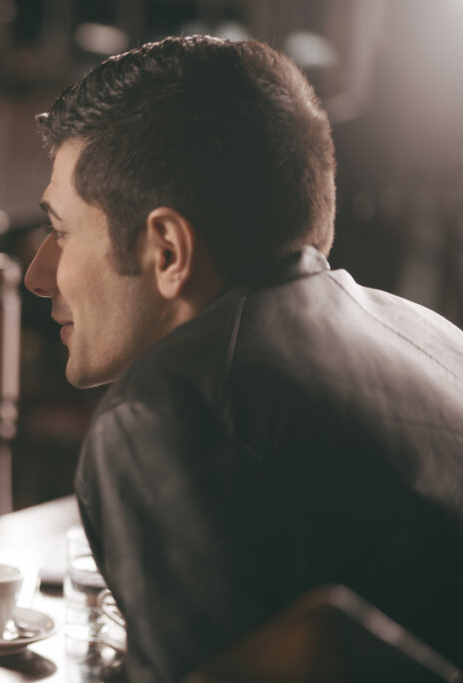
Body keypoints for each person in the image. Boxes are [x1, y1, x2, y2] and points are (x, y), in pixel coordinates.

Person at [24, 35, 463, 682]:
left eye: (60, 232)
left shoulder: (168, 411)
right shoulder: (436, 338)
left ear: (168, 250)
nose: (39, 274)